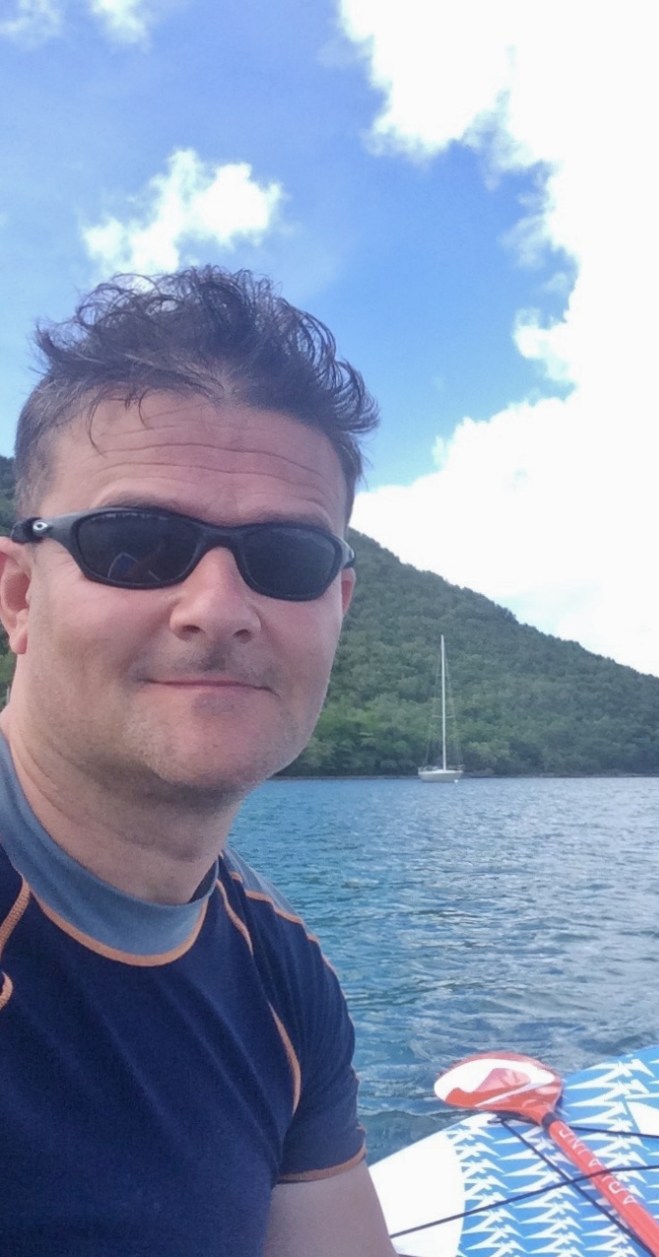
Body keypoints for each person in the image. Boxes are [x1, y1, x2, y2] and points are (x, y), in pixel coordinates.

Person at [0, 268, 398, 1256]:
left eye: (288, 559)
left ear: (336, 606)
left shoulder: (284, 982)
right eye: (137, 545)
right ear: (16, 595)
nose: (218, 607)